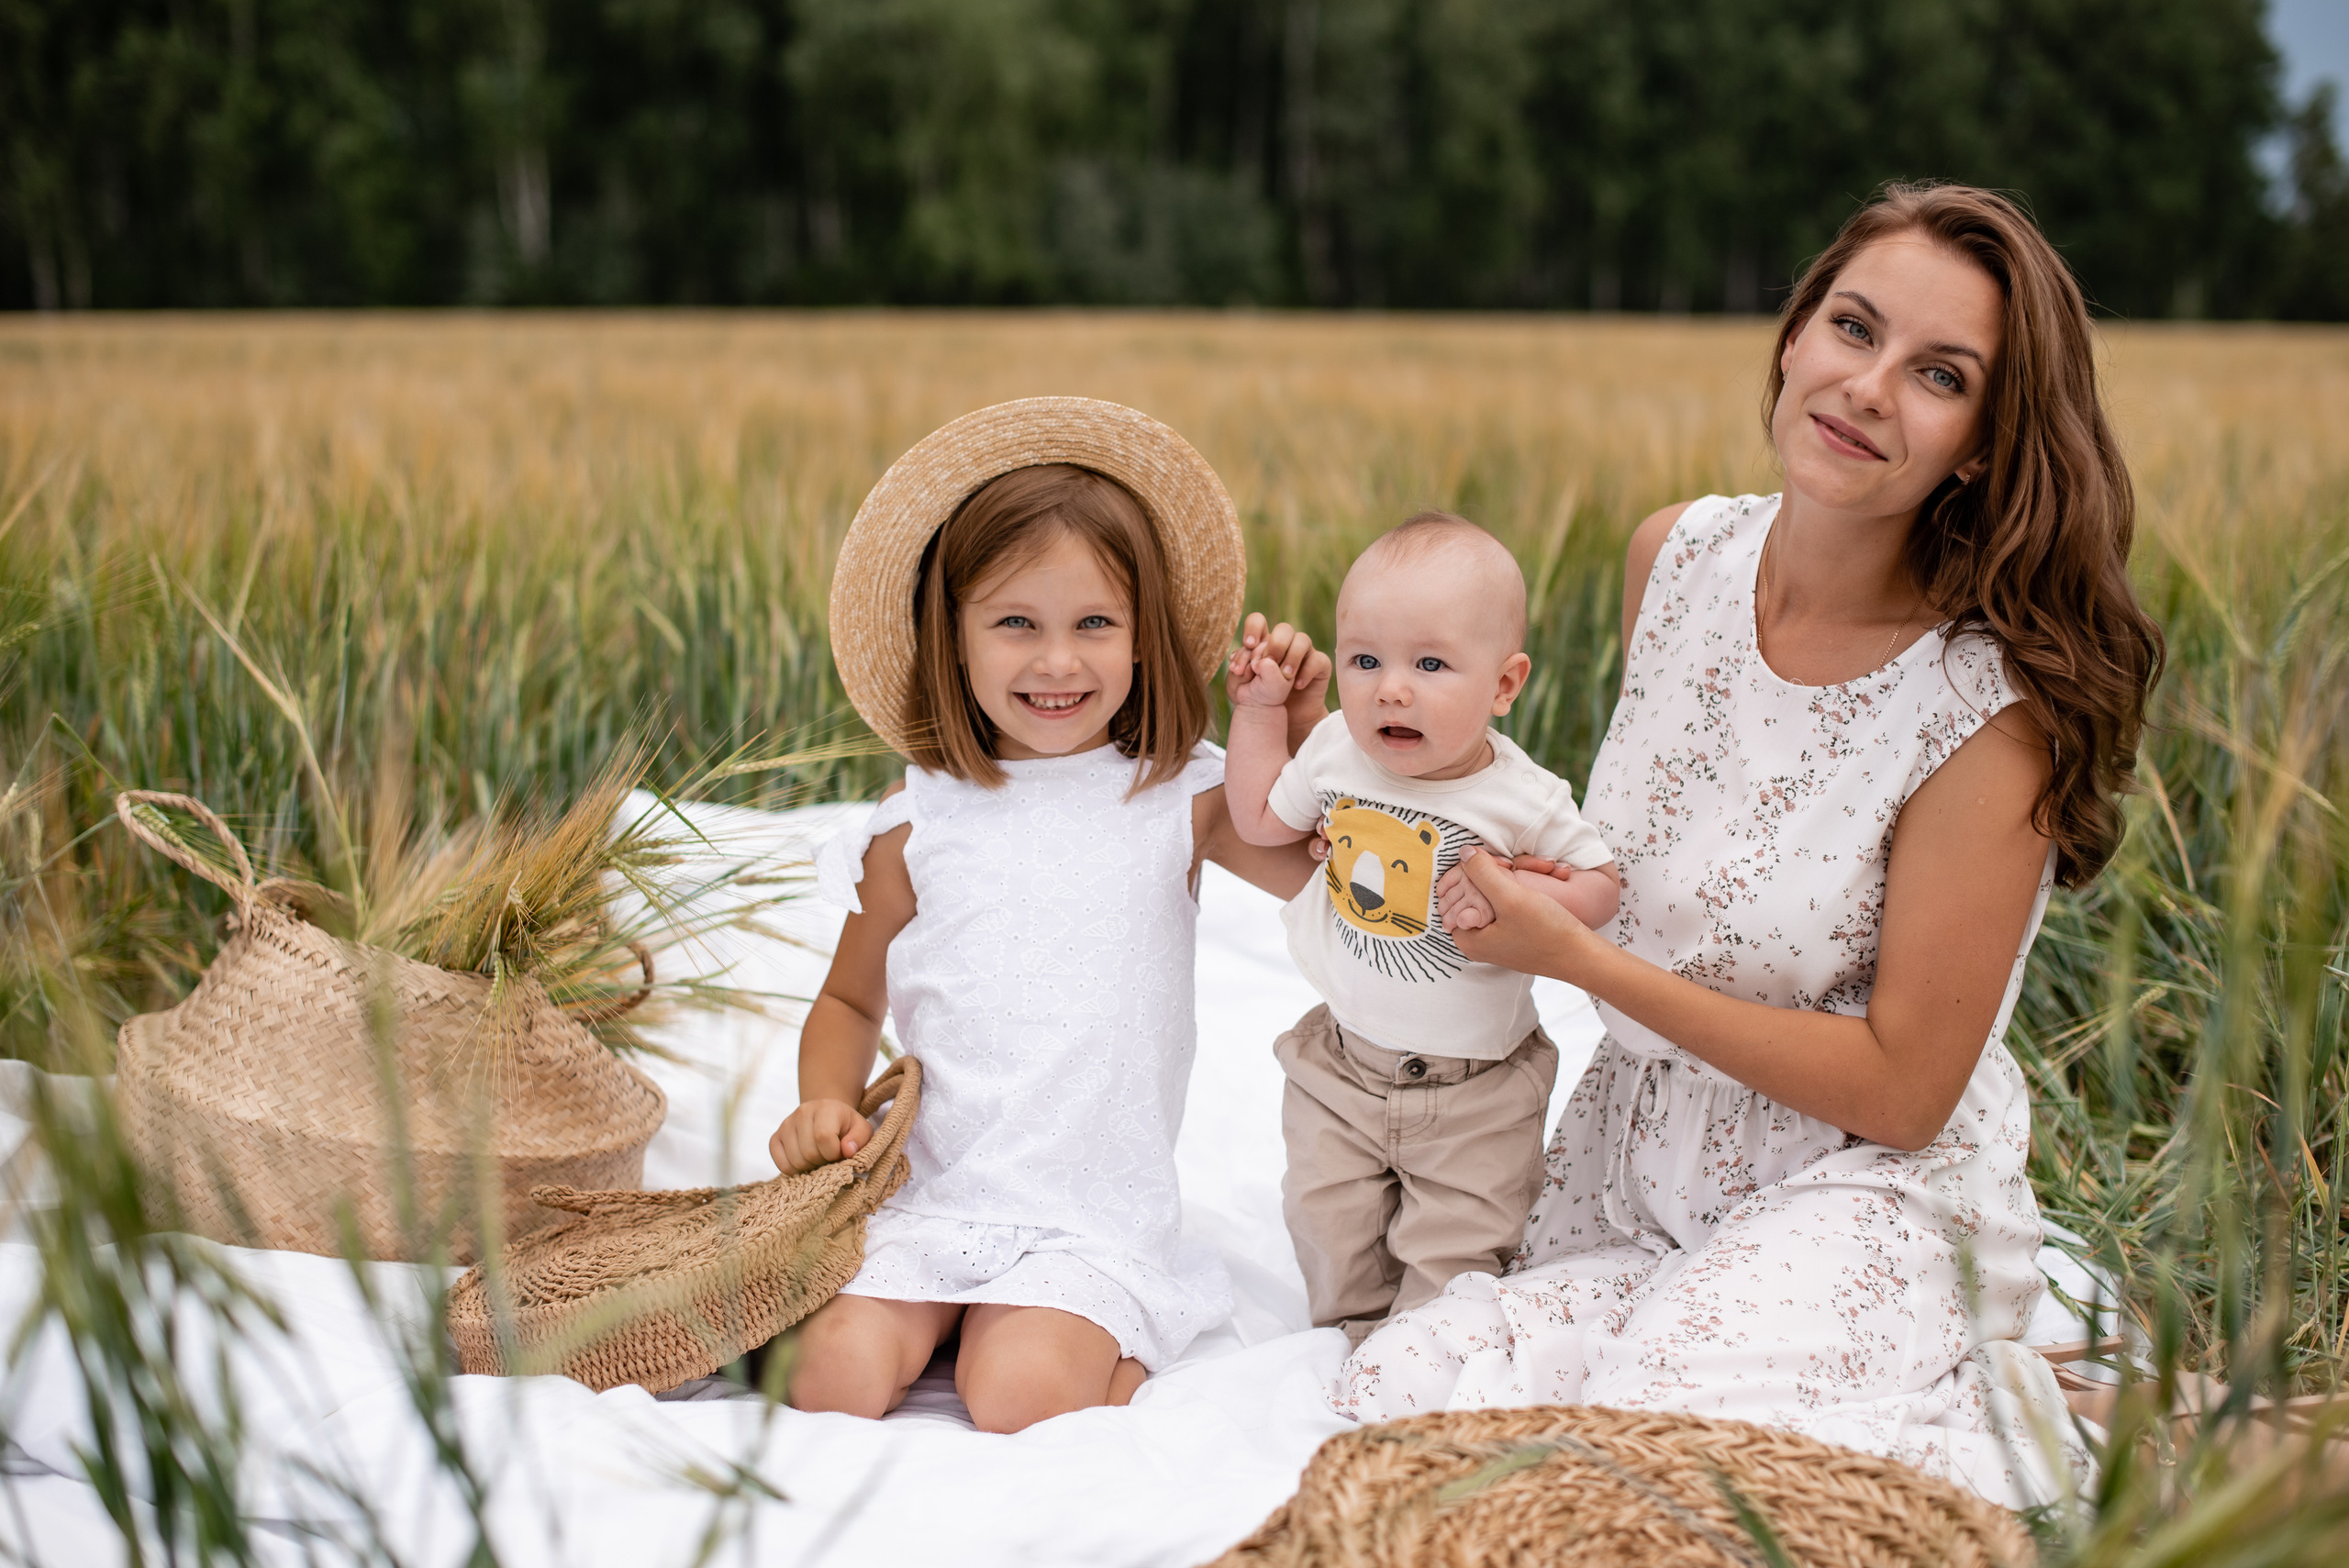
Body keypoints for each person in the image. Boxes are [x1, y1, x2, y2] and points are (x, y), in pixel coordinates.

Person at [1332, 184, 2163, 1509]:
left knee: (1657, 1451)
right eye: (1853, 326)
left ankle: (2072, 1417)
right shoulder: (1676, 557)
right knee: (1405, 1394)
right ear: (1794, 336)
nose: (1869, 386)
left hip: (1868, 1187)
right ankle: (1999, 1383)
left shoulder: (1983, 713)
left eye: (1939, 375)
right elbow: (1651, 853)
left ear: (1982, 446)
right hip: (1640, 1161)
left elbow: (1902, 1092)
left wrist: (1585, 964)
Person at [773, 399, 1329, 1434]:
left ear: (1142, 634)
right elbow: (850, 997)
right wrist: (821, 1101)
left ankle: (1087, 1349)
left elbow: (1324, 870)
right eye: (1015, 622)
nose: (1057, 661)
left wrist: (1282, 728)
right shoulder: (917, 820)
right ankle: (935, 1316)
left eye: (1094, 624)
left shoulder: (1180, 796)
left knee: (1019, 1395)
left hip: (1087, 1206)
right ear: (955, 635)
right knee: (831, 1377)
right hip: (937, 1189)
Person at [1220, 512, 1620, 1345]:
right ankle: (1353, 1339)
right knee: (1326, 1220)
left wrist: (1519, 893)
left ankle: (1419, 1365)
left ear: (1505, 685)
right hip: (1341, 1063)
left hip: (1476, 1088)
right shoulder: (1335, 747)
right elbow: (1259, 820)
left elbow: (1602, 884)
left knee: (1459, 1251)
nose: (1389, 688)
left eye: (1430, 664)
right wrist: (1259, 711)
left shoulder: (1524, 797)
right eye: (1365, 660)